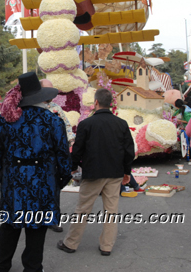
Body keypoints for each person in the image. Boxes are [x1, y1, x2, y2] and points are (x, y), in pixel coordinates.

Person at [0, 72, 71, 272]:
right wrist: (61, 179)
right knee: (37, 225)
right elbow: (63, 156)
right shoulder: (53, 121)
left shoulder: (4, 121)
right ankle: (33, 267)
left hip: (13, 181)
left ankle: (1, 264)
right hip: (43, 182)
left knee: (10, 223)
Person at [57, 88, 134, 256]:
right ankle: (107, 246)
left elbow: (77, 150)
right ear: (111, 104)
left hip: (93, 172)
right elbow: (129, 150)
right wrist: (127, 171)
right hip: (115, 173)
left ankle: (71, 243)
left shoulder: (86, 124)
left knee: (83, 209)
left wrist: (72, 167)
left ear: (96, 102)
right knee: (111, 210)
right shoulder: (121, 124)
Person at [40, 79, 75, 233]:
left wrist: (70, 141)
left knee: (54, 189)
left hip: (53, 157)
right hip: (36, 157)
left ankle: (54, 219)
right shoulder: (31, 108)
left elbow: (66, 127)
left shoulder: (56, 108)